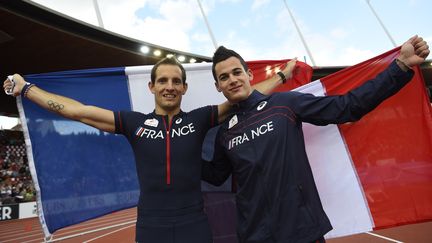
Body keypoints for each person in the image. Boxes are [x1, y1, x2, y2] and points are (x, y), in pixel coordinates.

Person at [3, 56, 297, 243]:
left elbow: (243, 95)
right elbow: (78, 111)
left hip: (194, 225)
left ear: (183, 88)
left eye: (175, 81)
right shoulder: (133, 123)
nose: (169, 86)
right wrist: (26, 88)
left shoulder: (199, 119)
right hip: (150, 228)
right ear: (152, 87)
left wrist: (283, 76)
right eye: (163, 81)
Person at [203, 36, 429, 243]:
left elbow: (347, 107)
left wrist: (399, 67)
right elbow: (215, 175)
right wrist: (174, 153)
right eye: (224, 77)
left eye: (236, 72)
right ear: (218, 86)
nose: (232, 80)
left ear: (248, 74)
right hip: (254, 236)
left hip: (302, 231)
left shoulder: (284, 104)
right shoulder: (224, 132)